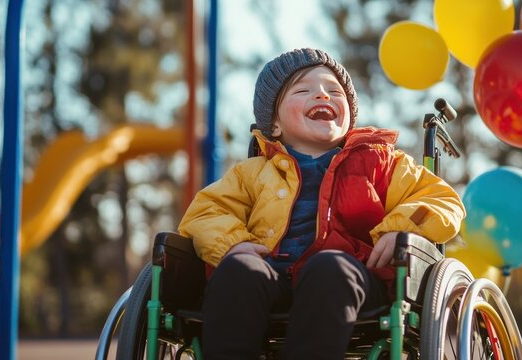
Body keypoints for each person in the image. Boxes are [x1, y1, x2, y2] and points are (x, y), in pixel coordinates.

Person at [178, 48, 466, 360]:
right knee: (240, 269)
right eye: (304, 90)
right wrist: (233, 243)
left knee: (329, 266)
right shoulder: (252, 173)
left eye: (333, 91)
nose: (323, 96)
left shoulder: (381, 162)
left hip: (351, 280)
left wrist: (401, 229)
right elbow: (205, 211)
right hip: (272, 278)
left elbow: (442, 199)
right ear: (274, 125)